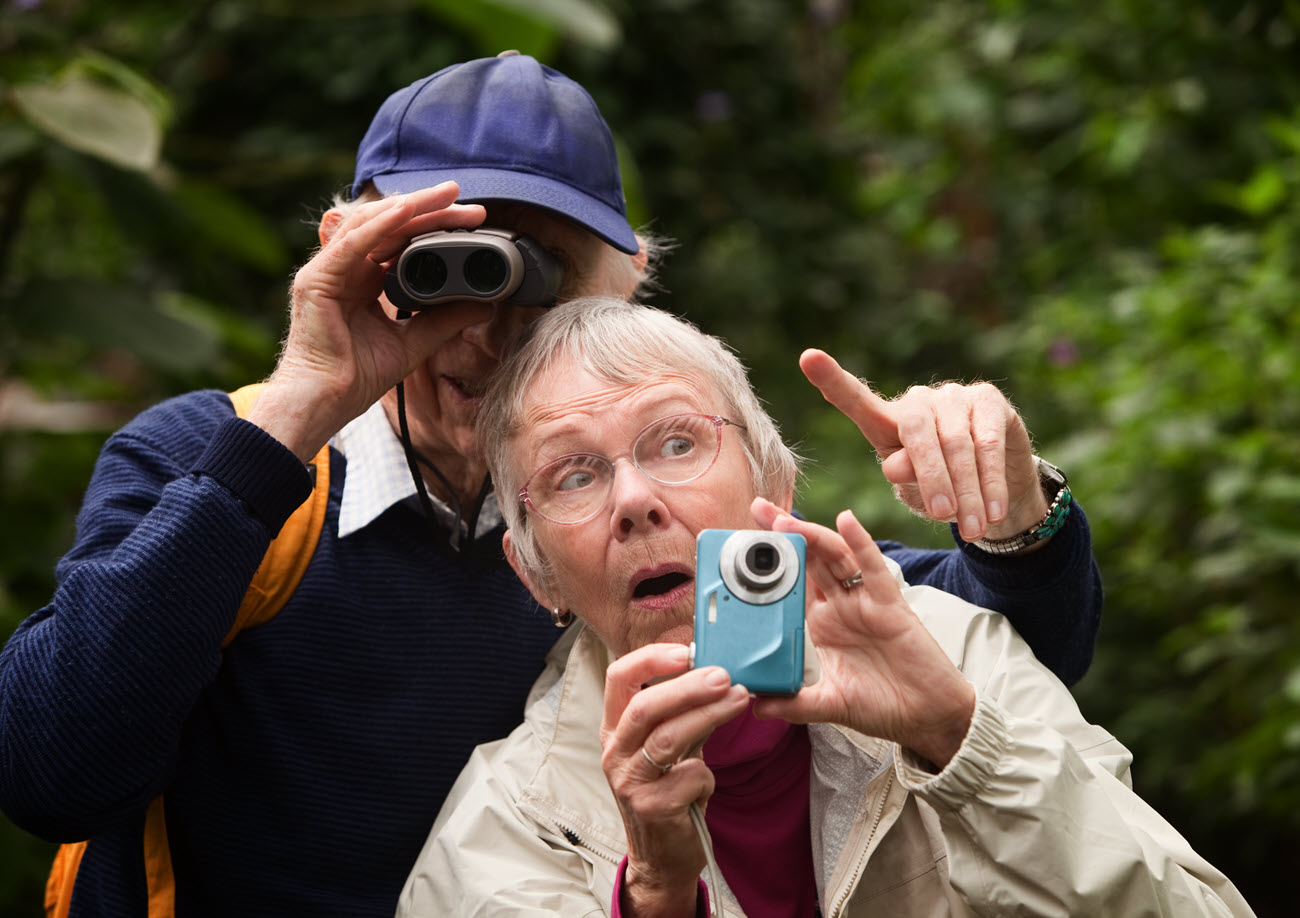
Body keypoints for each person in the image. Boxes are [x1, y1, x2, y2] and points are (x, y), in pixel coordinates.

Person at [0, 53, 1097, 917]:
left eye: (538, 279)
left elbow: (968, 656)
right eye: (433, 272)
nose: (480, 332)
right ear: (349, 257)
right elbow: (52, 771)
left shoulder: (639, 525)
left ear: (625, 291)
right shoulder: (225, 463)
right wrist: (295, 411)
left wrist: (1011, 518)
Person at [398, 297, 1252, 918]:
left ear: (774, 486)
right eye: (574, 475)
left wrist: (962, 741)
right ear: (537, 572)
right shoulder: (509, 821)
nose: (634, 500)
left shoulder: (951, 649)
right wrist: (656, 899)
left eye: (677, 442)